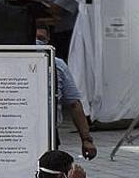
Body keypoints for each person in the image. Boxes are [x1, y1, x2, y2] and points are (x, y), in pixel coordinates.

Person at [37, 27, 97, 159]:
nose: (37, 43)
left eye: (41, 39)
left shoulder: (57, 65)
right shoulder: (12, 64)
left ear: (48, 40)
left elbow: (74, 104)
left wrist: (86, 139)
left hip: (49, 132)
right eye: (35, 38)